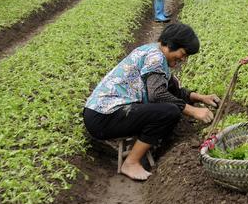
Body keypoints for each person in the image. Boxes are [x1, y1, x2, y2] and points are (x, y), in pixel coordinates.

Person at [83, 23, 220, 180]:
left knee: (170, 107)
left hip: (100, 113)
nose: (183, 59)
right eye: (183, 53)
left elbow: (172, 91)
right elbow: (157, 95)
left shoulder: (154, 52)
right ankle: (131, 163)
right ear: (169, 45)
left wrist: (201, 98)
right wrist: (193, 111)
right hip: (104, 117)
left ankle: (142, 150)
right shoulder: (155, 58)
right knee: (169, 112)